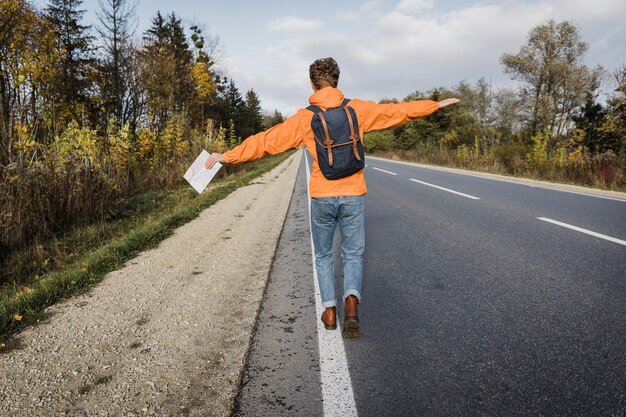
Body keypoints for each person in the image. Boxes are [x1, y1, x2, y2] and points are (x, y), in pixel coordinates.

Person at [205, 57, 459, 338]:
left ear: (312, 84)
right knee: (353, 254)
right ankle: (351, 305)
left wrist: (226, 156)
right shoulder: (357, 109)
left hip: (323, 196)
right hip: (353, 193)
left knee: (324, 255)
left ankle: (329, 311)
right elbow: (397, 112)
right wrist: (434, 106)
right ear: (337, 81)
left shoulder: (305, 117)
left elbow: (266, 141)